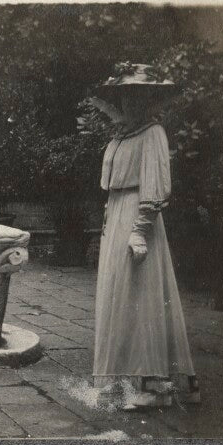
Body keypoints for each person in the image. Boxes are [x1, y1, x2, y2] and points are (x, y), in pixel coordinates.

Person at [89, 63, 199, 408]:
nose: (130, 102)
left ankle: (154, 384)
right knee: (118, 298)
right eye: (125, 95)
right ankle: (122, 376)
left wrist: (139, 232)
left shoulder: (153, 133)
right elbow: (112, 187)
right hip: (117, 216)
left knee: (142, 297)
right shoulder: (122, 135)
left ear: (150, 99)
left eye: (138, 96)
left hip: (139, 220)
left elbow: (154, 188)